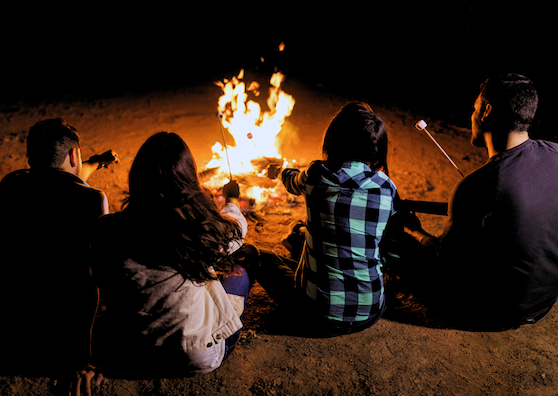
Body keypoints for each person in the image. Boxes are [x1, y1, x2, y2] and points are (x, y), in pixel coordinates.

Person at [73, 132, 250, 389]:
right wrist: (231, 201)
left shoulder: (105, 230)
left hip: (132, 354)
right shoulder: (199, 229)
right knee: (244, 261)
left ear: (136, 176)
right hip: (197, 355)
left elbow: (100, 283)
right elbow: (237, 232)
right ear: (188, 178)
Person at [0, 118, 120, 374]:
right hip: (58, 334)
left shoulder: (9, 185)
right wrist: (83, 355)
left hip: (5, 327)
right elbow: (95, 275)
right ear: (73, 155)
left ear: (29, 157)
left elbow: (60, 179)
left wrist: (95, 162)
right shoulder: (92, 200)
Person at [403, 73, 558, 330]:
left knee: (407, 253)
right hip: (542, 305)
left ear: (486, 112)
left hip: (494, 314)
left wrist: (414, 231)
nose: (472, 115)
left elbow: (444, 257)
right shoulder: (555, 154)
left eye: (475, 108)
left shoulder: (477, 185)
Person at [254, 102, 397, 336]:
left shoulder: (316, 174)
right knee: (305, 232)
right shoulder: (386, 187)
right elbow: (391, 245)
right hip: (370, 312)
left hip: (318, 314)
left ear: (333, 140)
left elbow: (292, 180)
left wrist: (279, 170)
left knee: (255, 255)